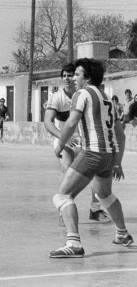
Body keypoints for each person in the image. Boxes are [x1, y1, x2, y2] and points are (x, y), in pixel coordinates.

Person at [49, 58, 133, 258]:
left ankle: (74, 243)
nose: (74, 79)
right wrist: (117, 161)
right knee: (105, 195)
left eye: (77, 75)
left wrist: (60, 144)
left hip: (92, 152)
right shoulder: (107, 98)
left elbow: (71, 123)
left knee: (62, 196)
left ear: (87, 77)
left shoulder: (82, 94)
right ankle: (122, 233)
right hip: (109, 154)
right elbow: (120, 134)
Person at [44, 64, 109, 227]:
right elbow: (47, 122)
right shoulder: (57, 97)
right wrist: (62, 139)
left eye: (70, 75)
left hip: (85, 141)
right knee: (67, 173)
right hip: (64, 141)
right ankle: (64, 212)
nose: (67, 79)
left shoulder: (85, 95)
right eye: (64, 75)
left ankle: (95, 209)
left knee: (95, 173)